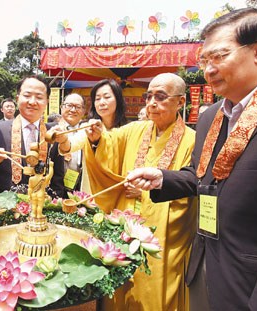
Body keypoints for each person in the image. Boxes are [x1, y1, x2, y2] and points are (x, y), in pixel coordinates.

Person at [125, 8, 257, 311]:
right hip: (203, 269)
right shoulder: (211, 117)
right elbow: (204, 176)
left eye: (219, 57)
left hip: (255, 285)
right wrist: (164, 177)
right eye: (204, 60)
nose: (208, 69)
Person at [83, 73, 196, 311]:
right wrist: (96, 139)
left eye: (161, 97)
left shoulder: (193, 140)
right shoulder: (136, 129)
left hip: (165, 232)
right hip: (125, 223)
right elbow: (109, 144)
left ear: (181, 102)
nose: (152, 102)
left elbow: (190, 187)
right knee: (121, 285)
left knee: (156, 290)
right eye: (149, 96)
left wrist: (146, 192)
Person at [0, 75, 66, 199]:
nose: (32, 101)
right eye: (27, 95)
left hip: (42, 207)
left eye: (39, 97)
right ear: (18, 98)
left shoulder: (53, 133)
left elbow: (58, 179)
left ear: (47, 101)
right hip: (4, 208)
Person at [58, 93, 87, 193]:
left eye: (78, 107)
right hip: (56, 188)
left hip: (81, 188)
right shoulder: (53, 130)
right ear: (62, 107)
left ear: (83, 111)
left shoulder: (87, 131)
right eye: (69, 106)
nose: (73, 110)